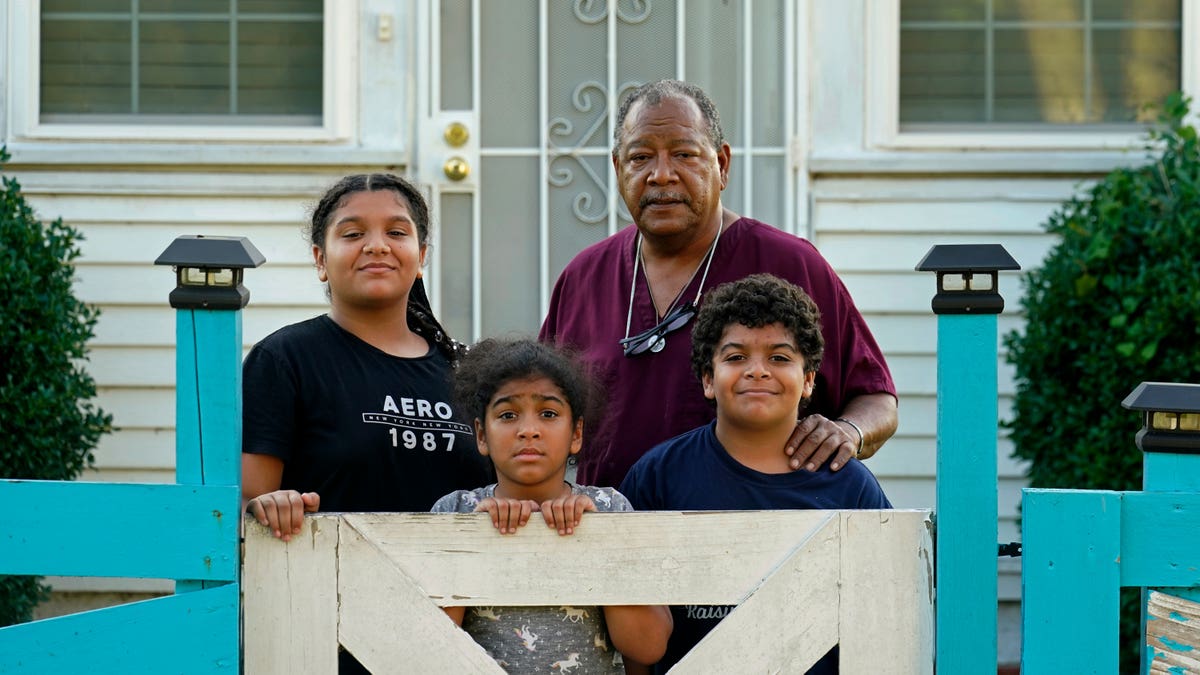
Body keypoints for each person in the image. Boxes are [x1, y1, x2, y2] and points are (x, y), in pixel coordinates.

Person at [540, 79, 898, 490]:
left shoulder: (791, 264)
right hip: (607, 532)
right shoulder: (583, 278)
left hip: (756, 530)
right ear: (619, 169)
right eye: (640, 157)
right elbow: (540, 409)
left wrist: (848, 431)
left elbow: (876, 399)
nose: (661, 175)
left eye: (684, 154)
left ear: (722, 165)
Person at [241, 174, 493, 673]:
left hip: (456, 637)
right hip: (324, 633)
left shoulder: (467, 373)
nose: (376, 246)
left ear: (422, 256)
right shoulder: (286, 359)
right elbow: (248, 505)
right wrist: (270, 506)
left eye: (396, 233)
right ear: (320, 260)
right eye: (353, 233)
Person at [620, 274, 892, 672]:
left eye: (779, 358)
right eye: (735, 357)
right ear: (708, 380)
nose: (758, 371)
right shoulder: (659, 475)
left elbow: (882, 613)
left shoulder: (848, 484)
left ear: (809, 381)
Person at [432, 337, 672, 674]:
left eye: (548, 413)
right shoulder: (455, 512)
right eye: (507, 414)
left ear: (576, 434)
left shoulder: (607, 507)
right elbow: (426, 645)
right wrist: (475, 539)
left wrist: (593, 540)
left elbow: (648, 647)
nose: (528, 430)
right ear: (482, 435)